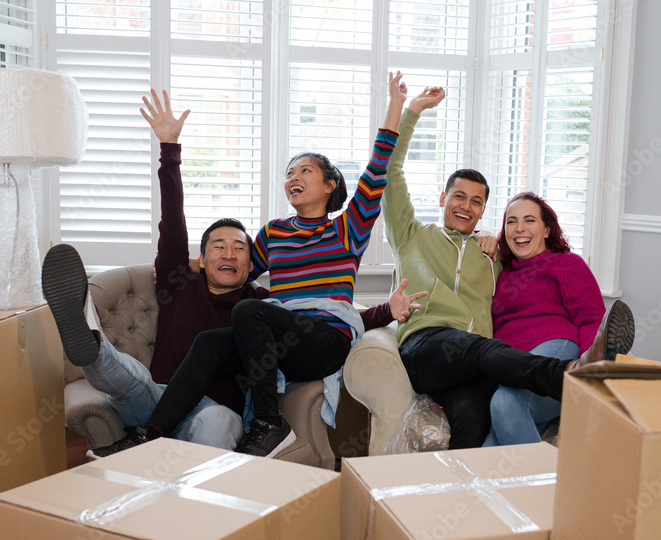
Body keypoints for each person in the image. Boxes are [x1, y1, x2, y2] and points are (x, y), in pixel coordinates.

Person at [42, 88, 419, 457]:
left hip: (325, 341)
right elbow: (234, 271)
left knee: (247, 311)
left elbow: (376, 173)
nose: (294, 177)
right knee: (211, 340)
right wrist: (192, 264)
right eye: (289, 173)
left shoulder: (347, 229)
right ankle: (148, 433)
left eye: (305, 170)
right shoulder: (273, 233)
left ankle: (271, 426)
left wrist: (397, 106)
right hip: (282, 339)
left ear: (330, 185)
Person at [382, 85, 635, 449]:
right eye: (458, 196)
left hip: (480, 369)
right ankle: (572, 375)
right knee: (480, 351)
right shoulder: (411, 235)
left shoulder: (495, 260)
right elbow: (389, 172)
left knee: (475, 424)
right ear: (442, 198)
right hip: (431, 346)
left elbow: (587, 314)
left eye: (477, 202)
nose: (466, 207)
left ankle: (468, 498)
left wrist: (491, 247)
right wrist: (410, 111)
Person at [481, 192, 606, 446]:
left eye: (529, 220)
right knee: (489, 449)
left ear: (547, 229)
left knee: (504, 401)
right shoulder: (498, 272)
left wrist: (587, 374)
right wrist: (480, 237)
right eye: (511, 222)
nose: (519, 229)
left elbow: (592, 318)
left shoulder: (566, 263)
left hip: (556, 355)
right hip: (513, 370)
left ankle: (540, 484)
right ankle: (547, 483)